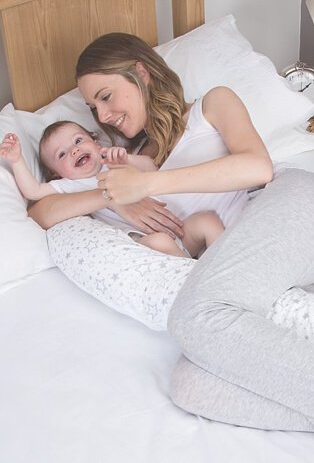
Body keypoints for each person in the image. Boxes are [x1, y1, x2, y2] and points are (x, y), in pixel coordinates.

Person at [28, 32, 314, 431]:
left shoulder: (211, 104)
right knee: (190, 386)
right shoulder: (127, 166)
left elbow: (257, 167)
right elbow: (43, 211)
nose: (103, 116)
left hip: (287, 210)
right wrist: (111, 197)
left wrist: (148, 186)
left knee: (194, 316)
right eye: (93, 109)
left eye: (106, 96)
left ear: (141, 73)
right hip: (249, 272)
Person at [0, 122, 224, 258]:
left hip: (177, 229)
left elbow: (151, 168)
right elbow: (33, 192)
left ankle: (220, 273)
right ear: (57, 173)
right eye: (62, 154)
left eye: (78, 141)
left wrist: (128, 159)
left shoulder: (114, 163)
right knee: (161, 242)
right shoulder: (68, 185)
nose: (74, 151)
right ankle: (194, 284)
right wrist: (17, 160)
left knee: (208, 221)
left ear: (97, 145)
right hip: (147, 241)